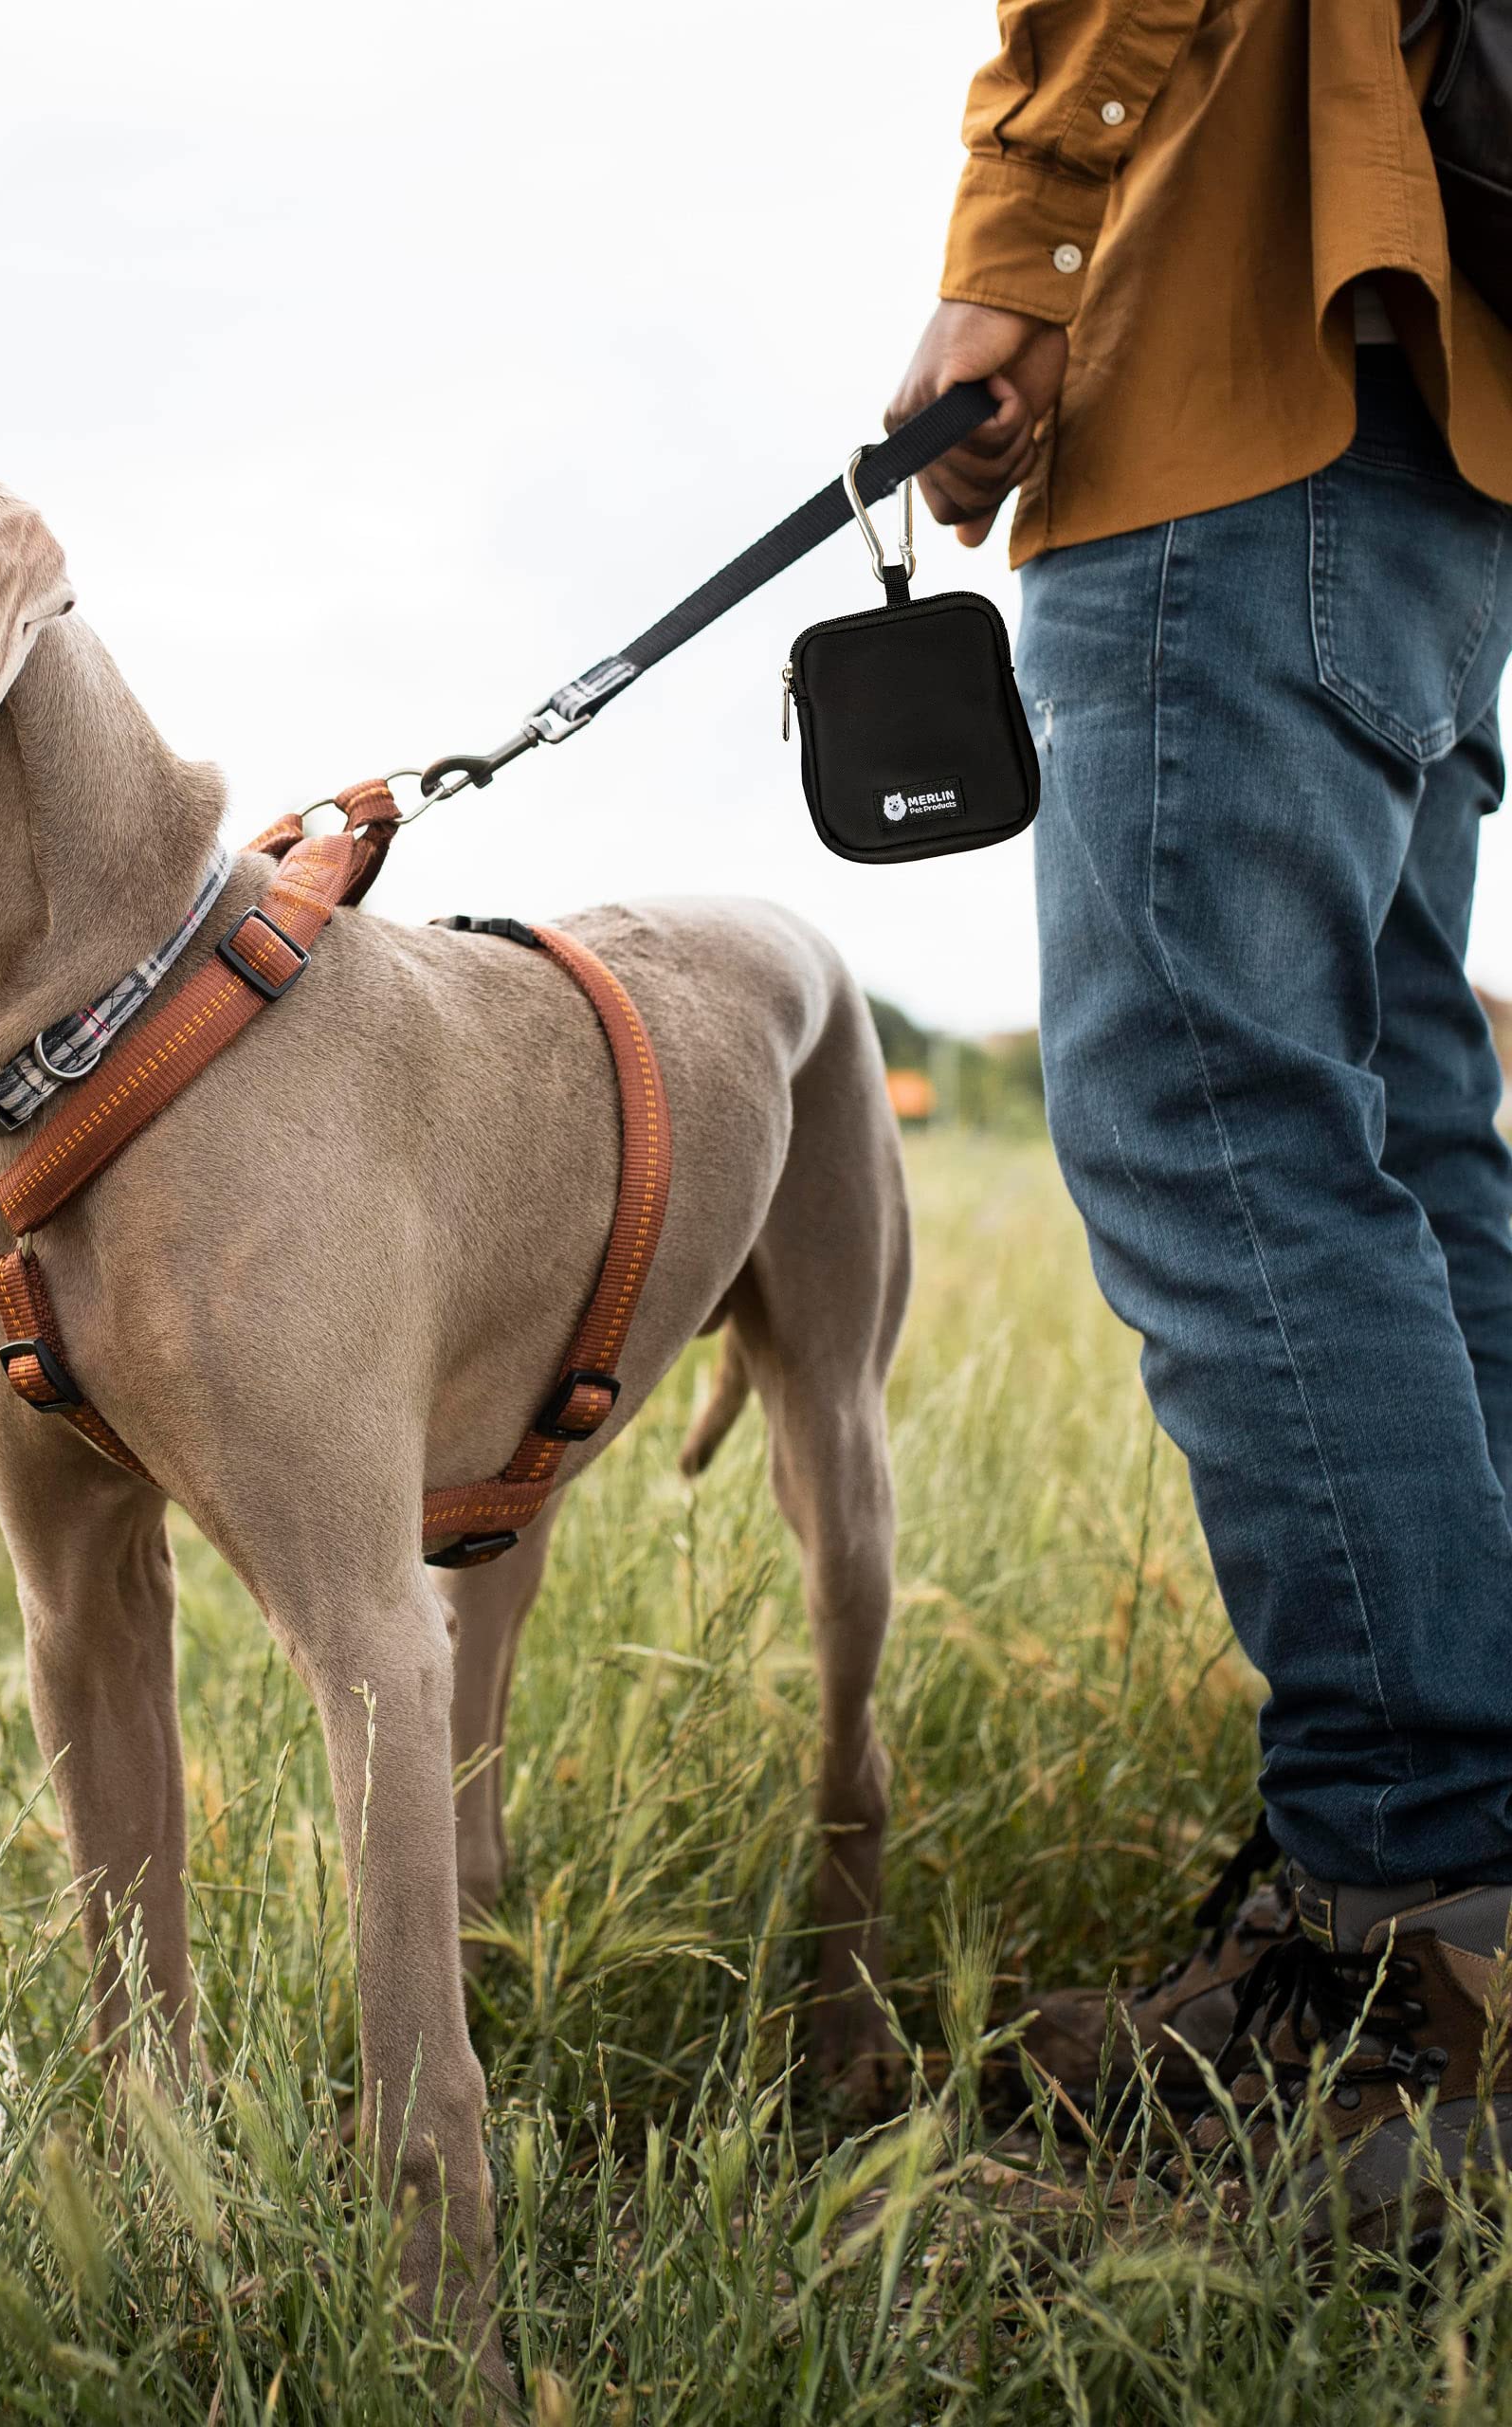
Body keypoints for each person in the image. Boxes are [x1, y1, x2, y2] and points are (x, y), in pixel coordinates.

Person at [887, 0, 1512, 2235]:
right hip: (1438, 410)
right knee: (1400, 1141)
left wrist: (1025, 243)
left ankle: (1403, 1945)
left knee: (1218, 1140)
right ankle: (1465, 1870)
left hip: (1232, 393)